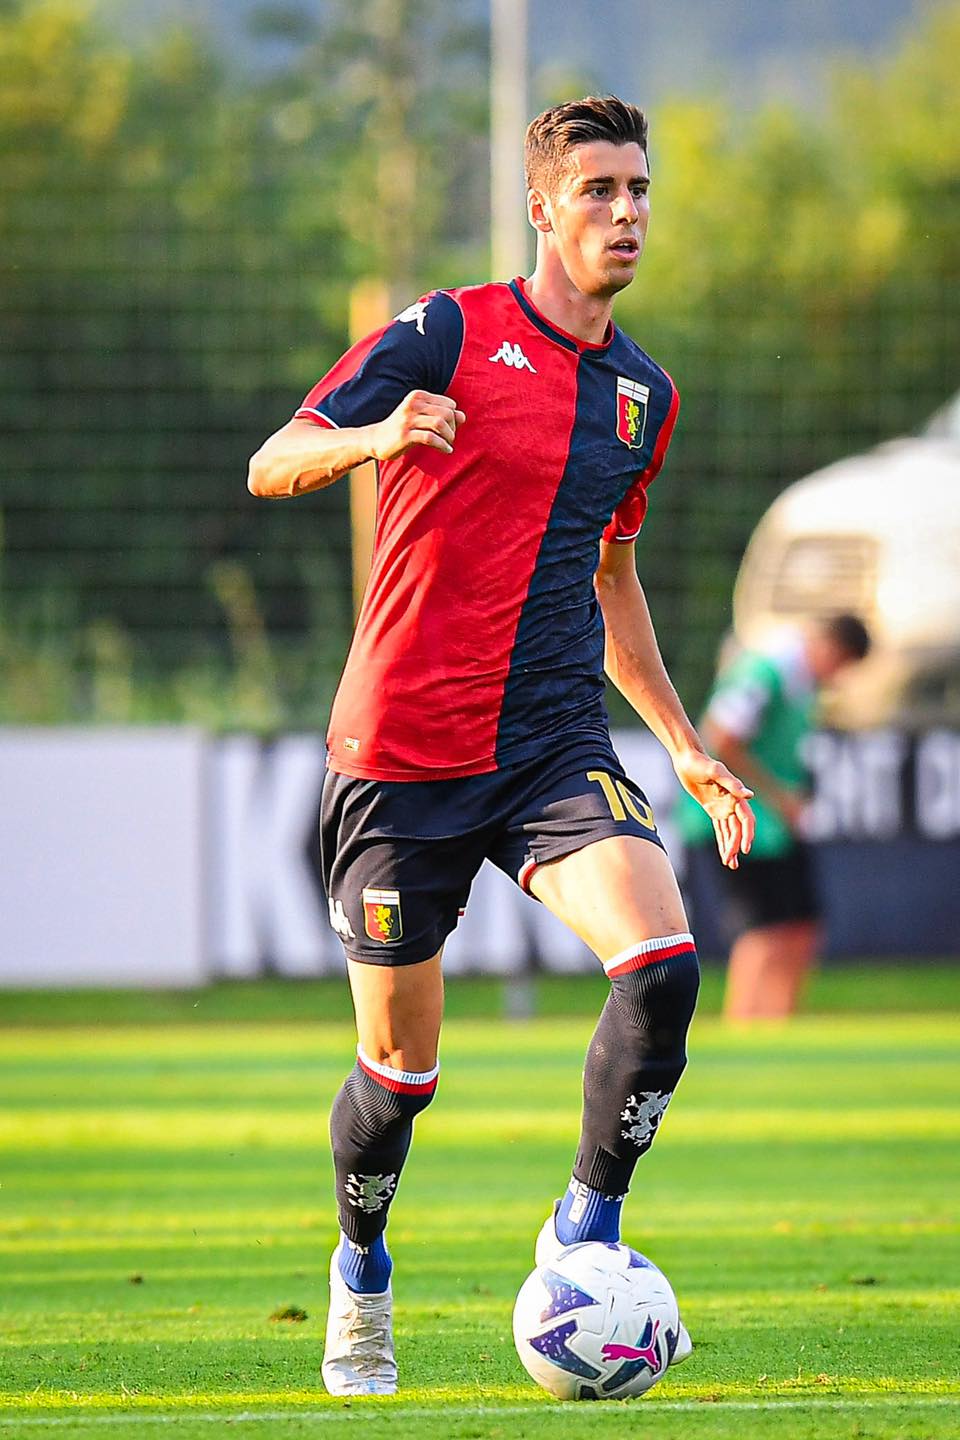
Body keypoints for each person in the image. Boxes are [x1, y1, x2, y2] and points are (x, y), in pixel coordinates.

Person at [248, 95, 755, 1396]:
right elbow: (274, 457)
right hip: (400, 754)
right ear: (542, 208)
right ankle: (361, 1267)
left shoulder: (643, 395)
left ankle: (585, 1234)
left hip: (546, 742)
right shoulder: (449, 330)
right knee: (399, 1076)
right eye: (598, 191)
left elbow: (614, 581)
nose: (625, 213)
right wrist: (374, 436)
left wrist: (684, 745)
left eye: (639, 189)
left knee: (661, 965)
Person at [677, 615, 870, 1021]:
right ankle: (745, 1028)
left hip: (776, 825)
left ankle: (779, 1027)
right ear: (831, 649)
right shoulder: (766, 673)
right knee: (762, 929)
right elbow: (721, 738)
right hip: (738, 814)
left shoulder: (800, 683)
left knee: (801, 925)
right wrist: (780, 795)